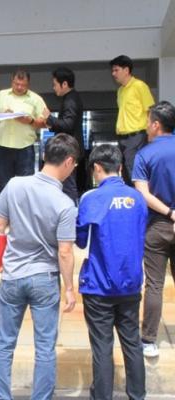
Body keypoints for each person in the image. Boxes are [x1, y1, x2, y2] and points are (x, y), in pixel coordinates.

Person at [0, 133, 79, 400]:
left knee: (5, 343)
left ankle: (0, 396)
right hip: (44, 278)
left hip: (12, 275)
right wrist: (69, 288)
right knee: (44, 347)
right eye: (74, 165)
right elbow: (65, 252)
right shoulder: (65, 204)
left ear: (44, 156)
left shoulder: (15, 185)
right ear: (69, 162)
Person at [76, 144, 147, 400]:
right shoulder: (137, 198)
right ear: (120, 167)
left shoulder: (91, 198)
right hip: (130, 283)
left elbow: (80, 240)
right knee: (132, 343)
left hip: (99, 286)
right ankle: (137, 395)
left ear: (96, 167)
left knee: (102, 347)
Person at [132, 101, 175, 358]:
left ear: (156, 125)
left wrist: (170, 213)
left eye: (148, 122)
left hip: (157, 225)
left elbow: (143, 194)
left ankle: (148, 340)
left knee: (155, 284)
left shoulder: (144, 154)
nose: (146, 126)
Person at [0, 70, 47, 191]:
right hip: (4, 147)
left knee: (25, 184)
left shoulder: (36, 99)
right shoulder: (1, 95)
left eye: (23, 85)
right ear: (12, 81)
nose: (19, 87)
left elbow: (44, 123)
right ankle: (6, 204)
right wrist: (2, 115)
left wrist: (30, 121)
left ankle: (23, 204)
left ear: (28, 84)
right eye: (16, 84)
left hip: (25, 147)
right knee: (3, 184)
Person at [109, 55, 155, 186]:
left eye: (116, 70)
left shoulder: (139, 86)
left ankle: (141, 196)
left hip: (137, 136)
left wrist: (151, 134)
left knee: (134, 169)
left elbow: (150, 111)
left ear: (126, 70)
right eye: (112, 70)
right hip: (122, 137)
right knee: (125, 171)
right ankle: (133, 195)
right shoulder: (120, 91)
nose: (113, 74)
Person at [43, 67, 84, 204]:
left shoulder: (70, 100)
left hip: (69, 149)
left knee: (68, 184)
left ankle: (71, 212)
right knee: (66, 183)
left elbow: (68, 124)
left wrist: (49, 118)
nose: (53, 87)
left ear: (64, 84)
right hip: (70, 148)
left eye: (55, 84)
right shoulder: (71, 98)